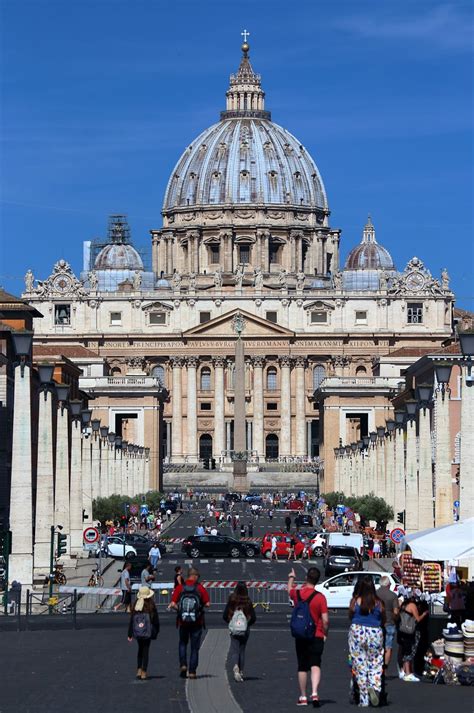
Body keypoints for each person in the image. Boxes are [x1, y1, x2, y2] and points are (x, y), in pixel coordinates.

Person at [288, 566, 329, 707]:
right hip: (316, 634)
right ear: (317, 581)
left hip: (301, 635)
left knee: (302, 666)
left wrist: (291, 577)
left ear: (306, 578)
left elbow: (289, 590)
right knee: (316, 664)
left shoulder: (298, 594)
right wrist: (325, 633)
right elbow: (325, 620)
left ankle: (303, 696)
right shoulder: (320, 598)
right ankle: (315, 692)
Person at [348, 575, 385, 708]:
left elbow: (351, 614)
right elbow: (383, 617)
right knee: (375, 663)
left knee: (360, 666)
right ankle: (374, 688)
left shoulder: (356, 600)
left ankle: (363, 699)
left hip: (358, 630)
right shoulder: (378, 602)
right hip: (375, 632)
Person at [168, 567, 210, 679]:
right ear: (195, 576)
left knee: (182, 643)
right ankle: (192, 671)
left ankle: (183, 664)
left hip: (183, 622)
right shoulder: (200, 588)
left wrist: (180, 610)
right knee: (194, 648)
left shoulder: (181, 588)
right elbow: (208, 604)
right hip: (197, 622)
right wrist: (199, 607)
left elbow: (172, 603)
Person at [223, 582, 257, 681]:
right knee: (242, 650)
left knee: (235, 649)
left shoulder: (232, 600)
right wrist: (247, 624)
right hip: (245, 630)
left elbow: (225, 616)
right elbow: (254, 618)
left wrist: (230, 622)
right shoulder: (248, 601)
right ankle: (241, 671)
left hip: (234, 628)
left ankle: (235, 667)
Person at [127, 586, 159, 680]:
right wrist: (156, 631)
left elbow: (132, 620)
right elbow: (155, 620)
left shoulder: (136, 604)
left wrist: (130, 633)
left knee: (140, 650)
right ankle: (144, 671)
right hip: (147, 631)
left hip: (138, 631)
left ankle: (139, 669)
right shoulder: (151, 605)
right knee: (146, 650)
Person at [397, 592, 428, 682]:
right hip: (410, 630)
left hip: (403, 630)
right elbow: (417, 619)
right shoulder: (412, 606)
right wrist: (424, 614)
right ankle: (408, 673)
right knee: (410, 651)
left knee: (405, 650)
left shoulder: (403, 605)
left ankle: (404, 670)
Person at [376, 576, 399, 669]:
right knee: (388, 647)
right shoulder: (393, 595)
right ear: (388, 584)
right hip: (389, 622)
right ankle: (384, 669)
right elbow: (396, 611)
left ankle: (377, 667)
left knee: (377, 646)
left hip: (377, 623)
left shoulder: (375, 594)